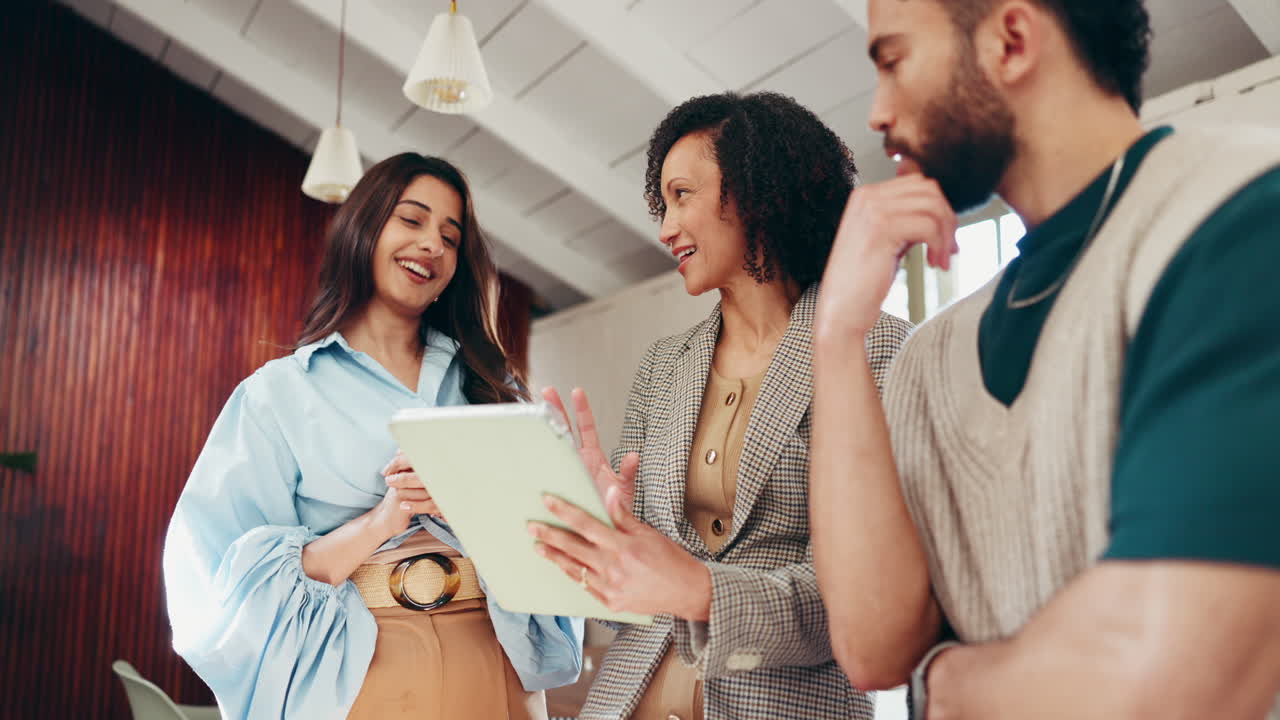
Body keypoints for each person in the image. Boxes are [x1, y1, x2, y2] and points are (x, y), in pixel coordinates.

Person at [810, 1, 1280, 718]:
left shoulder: (1239, 225)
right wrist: (837, 336)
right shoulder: (926, 357)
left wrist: (945, 684)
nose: (877, 112)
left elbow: (1162, 685)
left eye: (893, 61)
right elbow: (875, 651)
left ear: (1013, 40)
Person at [527, 92, 914, 720]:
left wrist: (704, 590)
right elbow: (640, 580)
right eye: (663, 203)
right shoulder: (662, 366)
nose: (664, 228)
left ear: (759, 192)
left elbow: (863, 600)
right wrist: (604, 520)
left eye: (683, 195)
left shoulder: (878, 353)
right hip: (627, 701)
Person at [163, 153, 584, 720]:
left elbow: (551, 549)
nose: (432, 244)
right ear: (364, 229)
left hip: (496, 665)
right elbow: (221, 582)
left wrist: (481, 507)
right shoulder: (278, 393)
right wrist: (382, 521)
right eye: (412, 220)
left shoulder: (492, 382)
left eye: (450, 236)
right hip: (356, 675)